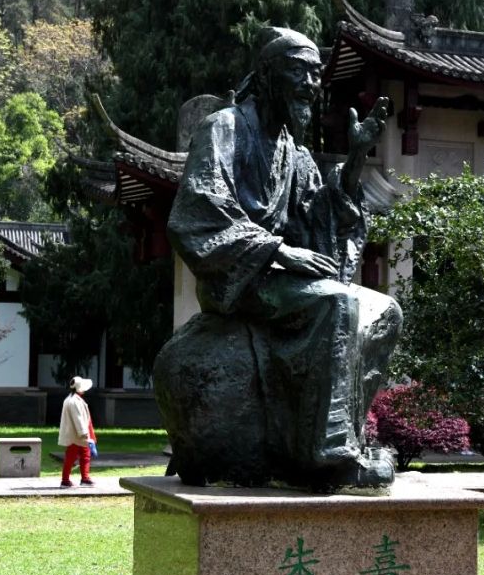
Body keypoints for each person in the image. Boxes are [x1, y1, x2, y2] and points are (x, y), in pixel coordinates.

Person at [165, 27, 403, 488]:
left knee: (385, 311)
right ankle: (329, 456)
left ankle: (340, 435)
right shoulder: (224, 128)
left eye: (316, 75)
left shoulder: (294, 153)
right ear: (267, 76)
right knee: (336, 302)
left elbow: (318, 219)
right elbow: (199, 209)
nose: (311, 85)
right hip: (239, 275)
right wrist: (278, 250)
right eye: (300, 72)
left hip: (281, 276)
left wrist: (356, 157)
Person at [58, 375, 97, 487]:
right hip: (76, 435)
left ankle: (84, 478)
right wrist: (84, 434)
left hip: (75, 435)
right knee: (73, 457)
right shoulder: (74, 401)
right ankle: (66, 480)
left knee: (83, 455)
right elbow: (78, 419)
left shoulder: (70, 399)